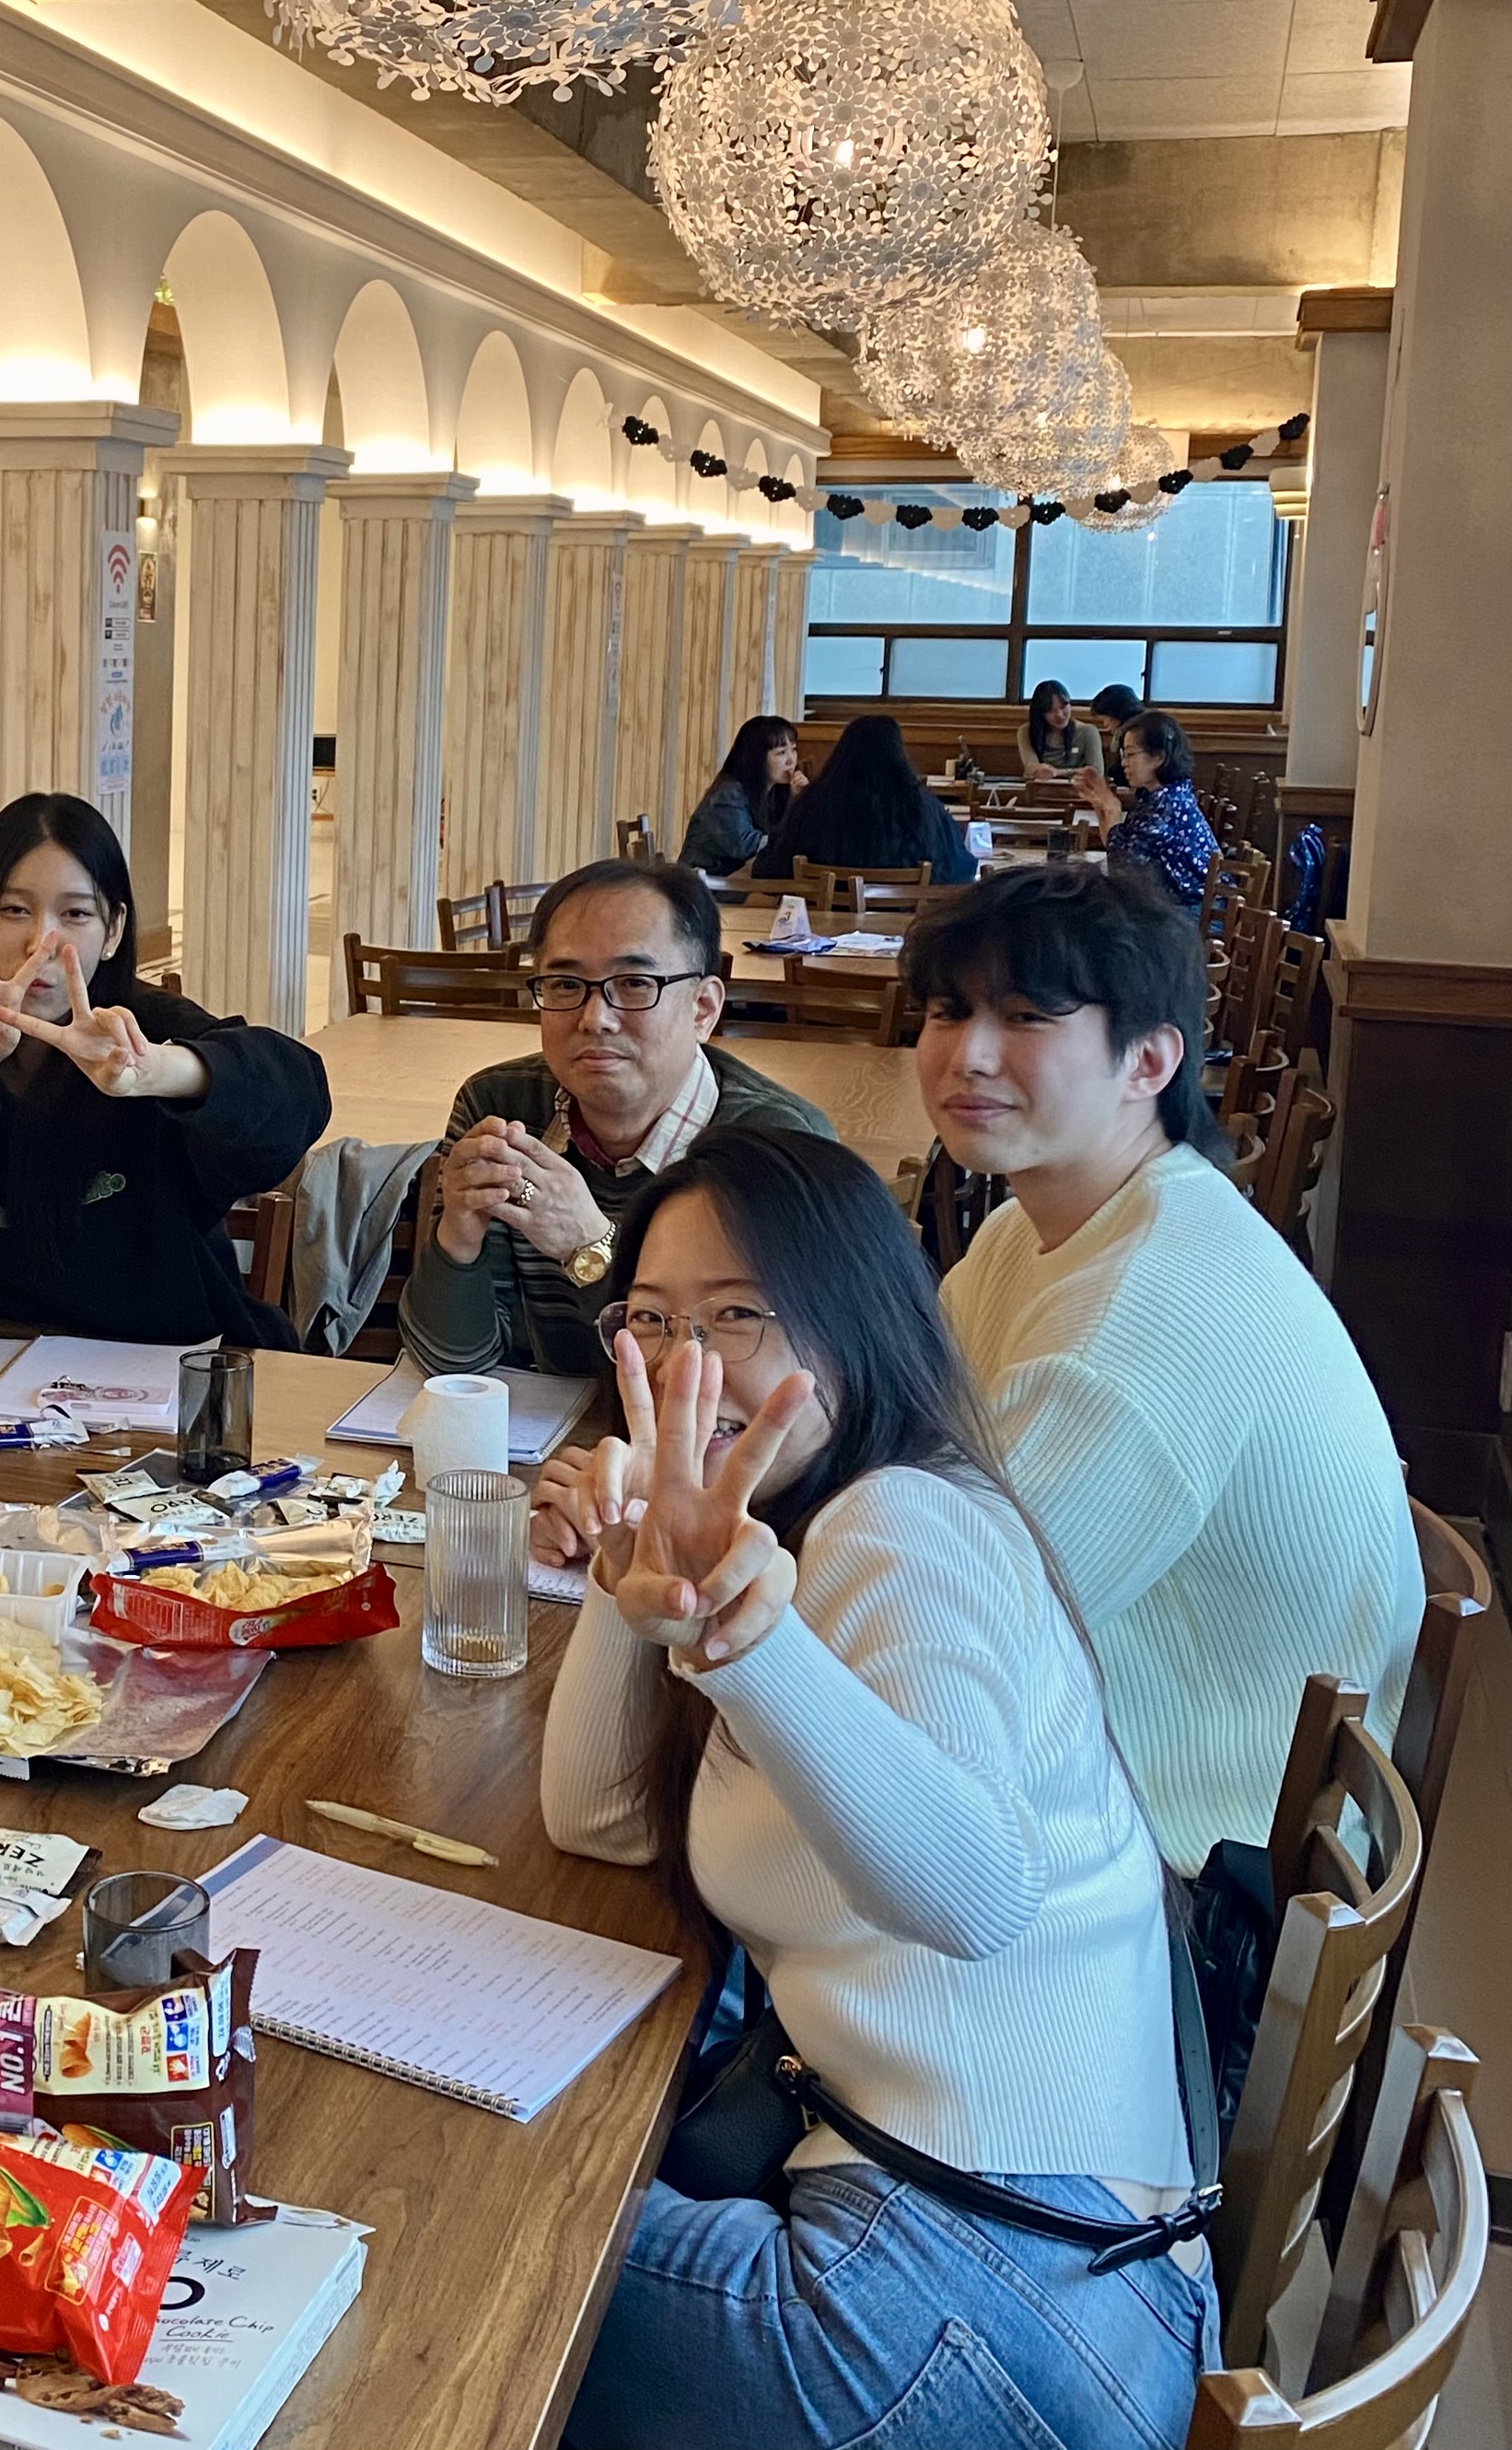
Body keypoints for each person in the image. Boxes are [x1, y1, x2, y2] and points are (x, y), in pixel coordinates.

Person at [535, 1125, 1211, 2450]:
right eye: (652, 1318)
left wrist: (750, 1647)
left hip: (984, 2295)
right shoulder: (810, 1521)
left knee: (445, 2216)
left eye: (738, 1316)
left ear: (851, 1325)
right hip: (1033, 2280)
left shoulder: (901, 1525)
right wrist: (631, 1569)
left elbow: (976, 1891)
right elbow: (598, 1819)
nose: (683, 1363)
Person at [905, 865, 1417, 1875]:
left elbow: (942, 1637)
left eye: (1026, 1015)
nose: (969, 1054)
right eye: (948, 1011)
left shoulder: (1144, 1310)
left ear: (1148, 1060)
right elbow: (907, 1441)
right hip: (1100, 1764)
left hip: (1197, 1864)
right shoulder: (1033, 1227)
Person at [0, 792, 330, 1347]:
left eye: (76, 914)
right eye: (14, 910)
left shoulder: (143, 1026)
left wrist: (157, 1071)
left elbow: (299, 1095)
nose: (41, 942)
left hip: (160, 1371)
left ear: (113, 931)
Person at [400, 861, 830, 1378]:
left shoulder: (777, 1144)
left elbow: (758, 1380)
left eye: (634, 983)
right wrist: (457, 1237)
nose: (595, 1018)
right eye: (565, 984)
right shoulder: (500, 1107)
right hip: (546, 1427)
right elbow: (450, 1365)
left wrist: (592, 1248)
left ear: (702, 1008)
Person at [749, 713, 973, 886]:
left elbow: (769, 867)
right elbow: (961, 870)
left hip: (822, 922)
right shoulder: (922, 805)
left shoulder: (813, 802)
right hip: (904, 923)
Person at [1076, 708, 1218, 909]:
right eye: (1123, 755)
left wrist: (1112, 807)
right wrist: (1100, 805)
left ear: (1159, 757)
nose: (1124, 763)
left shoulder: (1168, 805)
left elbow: (1123, 869)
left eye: (1130, 754)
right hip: (1169, 908)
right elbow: (1117, 845)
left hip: (1189, 915)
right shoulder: (1155, 797)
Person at [678, 715, 803, 875]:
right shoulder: (727, 794)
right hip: (707, 882)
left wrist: (799, 800)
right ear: (756, 758)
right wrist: (795, 841)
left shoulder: (777, 792)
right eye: (781, 753)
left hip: (740, 879)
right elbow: (746, 846)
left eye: (793, 749)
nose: (791, 760)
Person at [1020, 679, 1098, 780]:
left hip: (1079, 788)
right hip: (1042, 787)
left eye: (1063, 707)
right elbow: (1032, 769)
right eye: (1051, 711)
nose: (1060, 715)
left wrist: (1058, 772)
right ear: (1040, 713)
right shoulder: (1026, 731)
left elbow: (1097, 772)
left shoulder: (1088, 732)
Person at [1089, 683, 1145, 781]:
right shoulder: (1144, 723)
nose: (1105, 724)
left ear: (1116, 713)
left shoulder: (1134, 733)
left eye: (1105, 719)